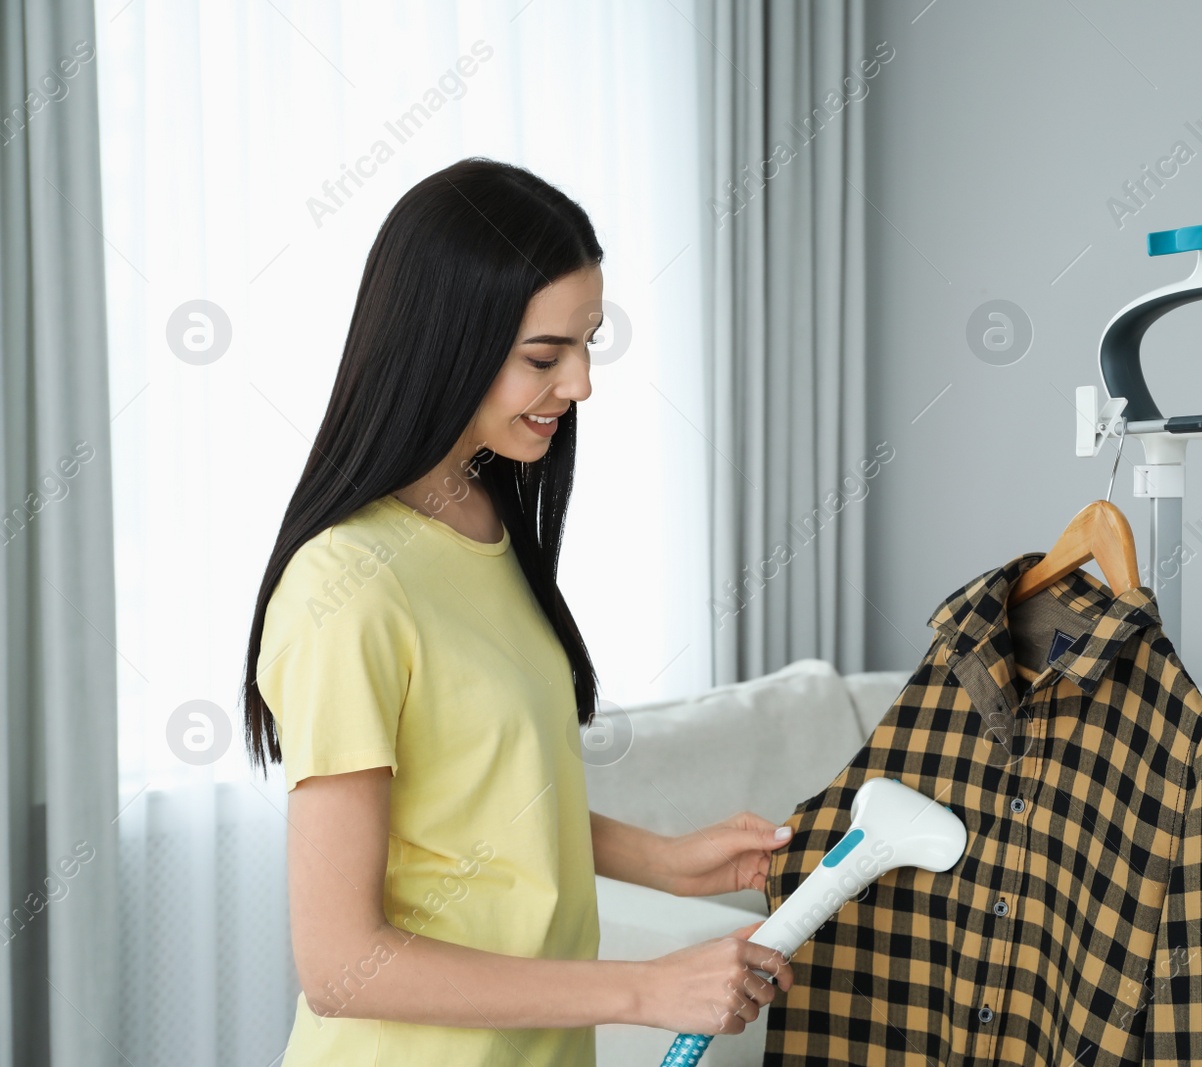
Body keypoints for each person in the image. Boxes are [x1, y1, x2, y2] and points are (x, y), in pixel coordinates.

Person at [240, 157, 794, 1066]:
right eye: (545, 356)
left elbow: (475, 802)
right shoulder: (347, 587)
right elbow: (339, 963)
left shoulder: (487, 523)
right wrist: (643, 987)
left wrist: (662, 858)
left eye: (588, 344)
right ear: (446, 340)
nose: (580, 385)